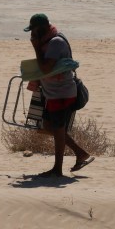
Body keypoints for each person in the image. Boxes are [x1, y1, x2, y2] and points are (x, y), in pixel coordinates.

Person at [24, 13, 94, 177]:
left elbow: (46, 68)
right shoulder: (49, 40)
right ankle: (80, 153)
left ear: (41, 29)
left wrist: (35, 47)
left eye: (33, 31)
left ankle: (58, 169)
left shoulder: (55, 42)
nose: (32, 35)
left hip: (61, 93)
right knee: (49, 126)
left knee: (57, 128)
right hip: (54, 93)